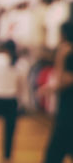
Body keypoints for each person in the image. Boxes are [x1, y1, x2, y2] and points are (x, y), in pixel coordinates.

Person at [42, 21, 73, 163]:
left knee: (53, 154)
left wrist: (60, 57)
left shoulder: (67, 52)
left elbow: (63, 79)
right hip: (66, 111)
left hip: (68, 112)